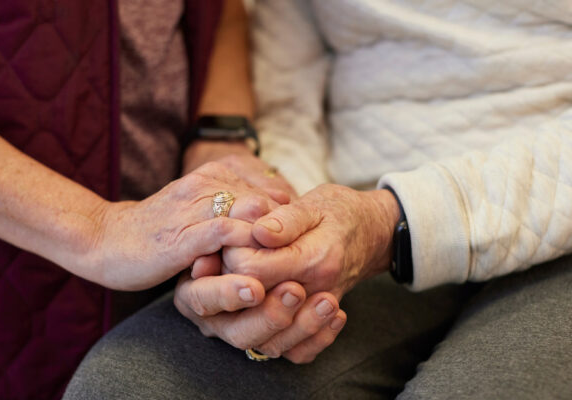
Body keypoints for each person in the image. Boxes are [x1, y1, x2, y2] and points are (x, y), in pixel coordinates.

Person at [64, 0, 572, 399]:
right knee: (127, 384)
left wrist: (388, 223)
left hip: (550, 196)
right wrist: (277, 233)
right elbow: (288, 94)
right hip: (360, 199)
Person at [0, 0, 343, 398]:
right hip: (12, 262)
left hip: (163, 246)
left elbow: (222, 14)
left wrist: (217, 138)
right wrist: (97, 229)